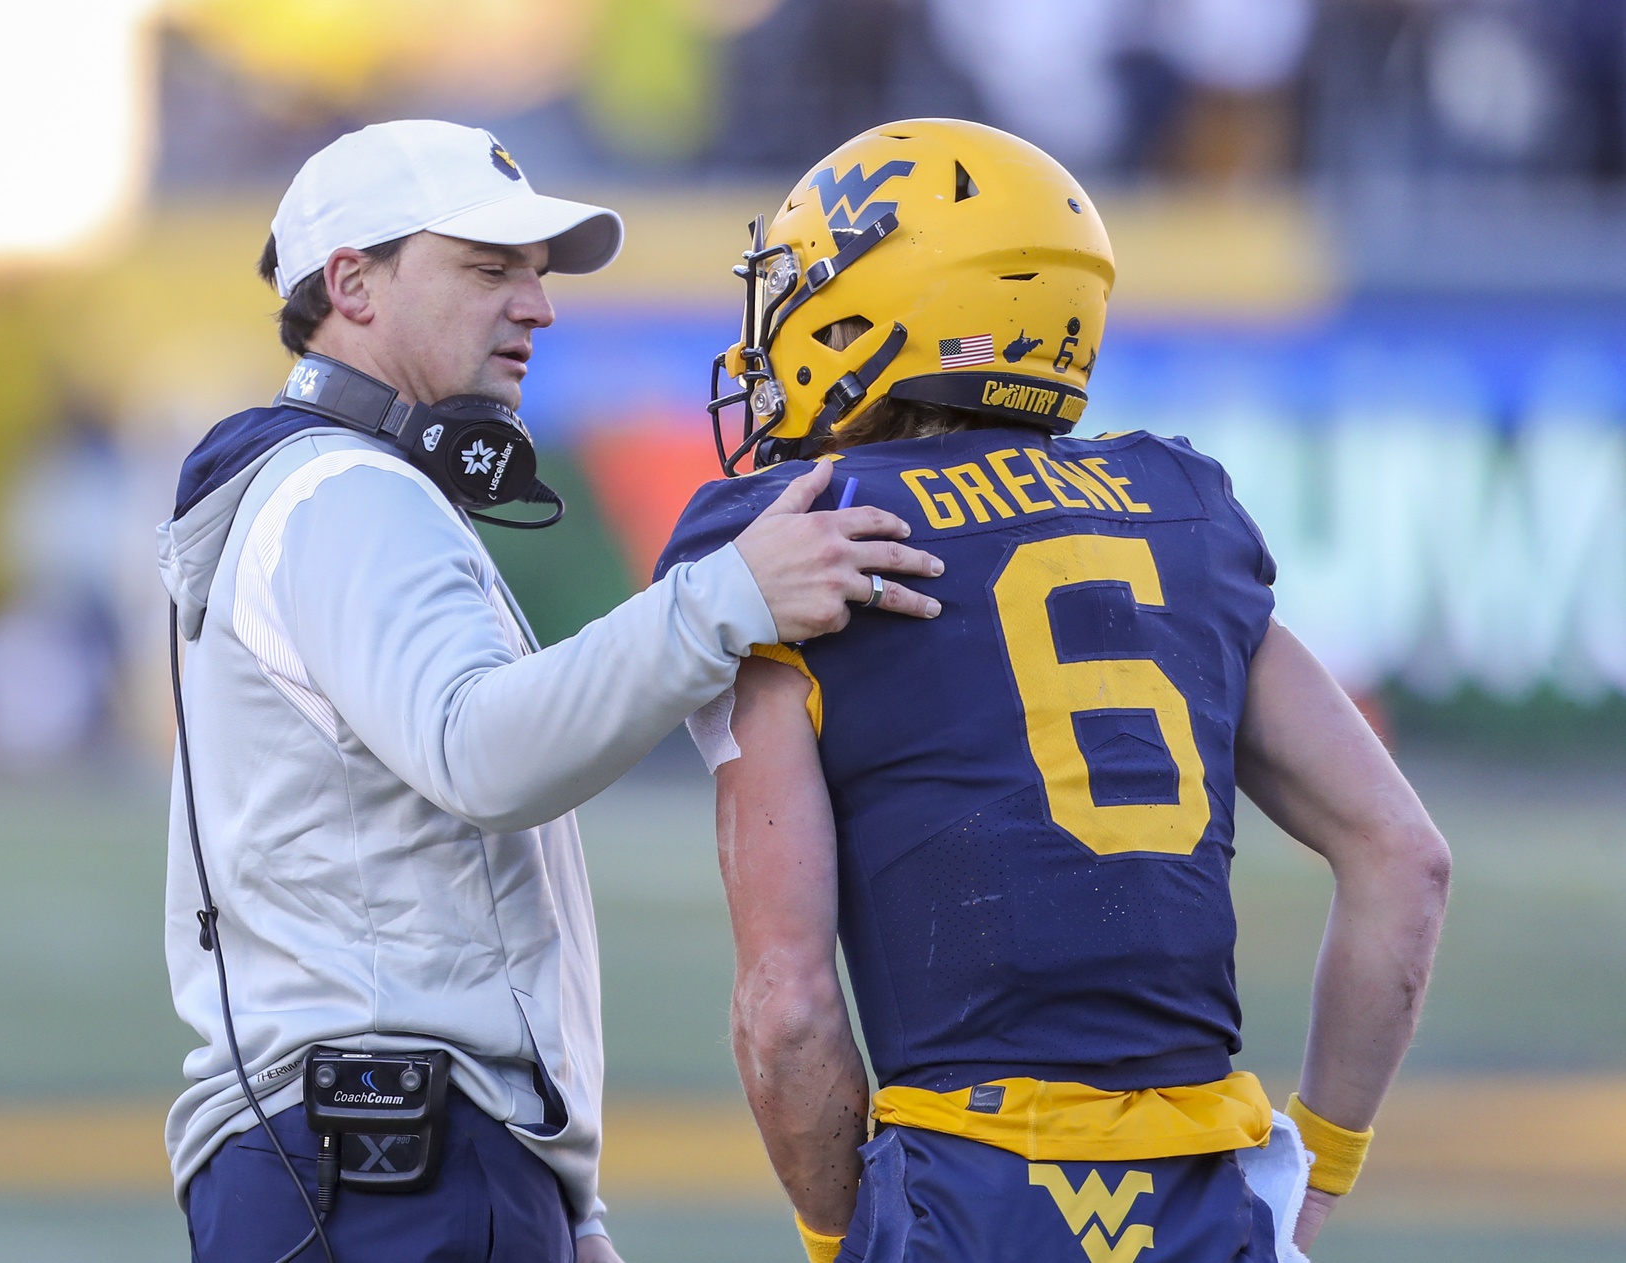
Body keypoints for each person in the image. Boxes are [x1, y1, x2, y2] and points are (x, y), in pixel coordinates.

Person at [655, 118, 1452, 1263]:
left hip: (968, 1185)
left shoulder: (797, 535)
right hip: (1208, 1191)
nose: (773, 335)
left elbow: (787, 1010)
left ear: (890, 301)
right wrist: (1317, 1169)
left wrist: (841, 1240)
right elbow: (1405, 858)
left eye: (798, 295)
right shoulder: (1186, 506)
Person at [154, 119, 947, 1263]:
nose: (538, 306)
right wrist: (729, 598)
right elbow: (480, 752)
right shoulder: (341, 488)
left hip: (386, 1158)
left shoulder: (328, 484)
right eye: (488, 270)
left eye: (535, 275)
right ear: (351, 285)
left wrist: (563, 1208)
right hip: (380, 1163)